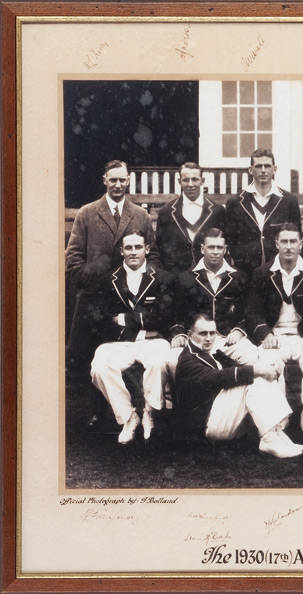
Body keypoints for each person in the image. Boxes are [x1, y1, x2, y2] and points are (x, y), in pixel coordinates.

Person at [65, 160, 158, 374]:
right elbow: (73, 259)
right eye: (113, 179)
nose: (117, 184)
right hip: (93, 299)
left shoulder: (140, 215)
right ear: (104, 180)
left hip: (129, 300)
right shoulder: (87, 213)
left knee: (127, 363)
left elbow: (152, 255)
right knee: (88, 363)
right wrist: (94, 281)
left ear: (128, 181)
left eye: (122, 180)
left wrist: (141, 287)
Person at [175, 314, 303, 458]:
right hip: (205, 426)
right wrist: (257, 371)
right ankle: (268, 439)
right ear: (189, 335)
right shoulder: (187, 359)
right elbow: (215, 378)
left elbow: (236, 368)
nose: (209, 338)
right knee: (255, 378)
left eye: (212, 333)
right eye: (203, 333)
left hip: (218, 416)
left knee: (259, 375)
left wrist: (265, 368)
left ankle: (275, 433)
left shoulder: (210, 353)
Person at [89, 231, 173, 444]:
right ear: (121, 251)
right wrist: (143, 321)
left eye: (138, 247)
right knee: (99, 368)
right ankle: (128, 416)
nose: (133, 252)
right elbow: (99, 317)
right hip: (118, 343)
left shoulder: (162, 277)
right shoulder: (108, 279)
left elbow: (165, 316)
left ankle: (149, 413)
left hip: (153, 341)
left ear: (147, 249)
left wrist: (125, 319)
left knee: (159, 362)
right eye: (128, 248)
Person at [246, 224, 303, 431]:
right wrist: (265, 333)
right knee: (269, 362)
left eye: (293, 241)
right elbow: (253, 312)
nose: (289, 246)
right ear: (276, 244)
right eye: (284, 241)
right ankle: (280, 416)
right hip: (275, 334)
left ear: (300, 244)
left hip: (302, 335)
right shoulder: (262, 273)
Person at [170, 227, 257, 377]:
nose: (215, 251)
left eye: (219, 247)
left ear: (225, 249)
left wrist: (239, 330)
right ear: (203, 249)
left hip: (228, 340)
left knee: (253, 357)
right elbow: (177, 313)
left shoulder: (239, 277)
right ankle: (181, 400)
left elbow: (248, 312)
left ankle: (244, 398)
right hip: (195, 340)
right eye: (211, 247)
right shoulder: (185, 278)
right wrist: (179, 334)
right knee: (172, 360)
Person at [223, 148, 301, 274]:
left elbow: (295, 235)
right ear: (250, 170)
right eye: (259, 166)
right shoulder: (236, 202)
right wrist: (241, 258)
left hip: (279, 271)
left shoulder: (288, 200)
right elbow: (231, 239)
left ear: (274, 169)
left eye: (267, 166)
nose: (263, 170)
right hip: (246, 271)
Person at [156, 161, 226, 274]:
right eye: (185, 180)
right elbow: (159, 247)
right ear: (179, 181)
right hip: (176, 277)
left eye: (195, 179)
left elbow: (224, 246)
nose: (190, 184)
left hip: (208, 278)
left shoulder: (217, 211)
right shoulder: (167, 212)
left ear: (202, 181)